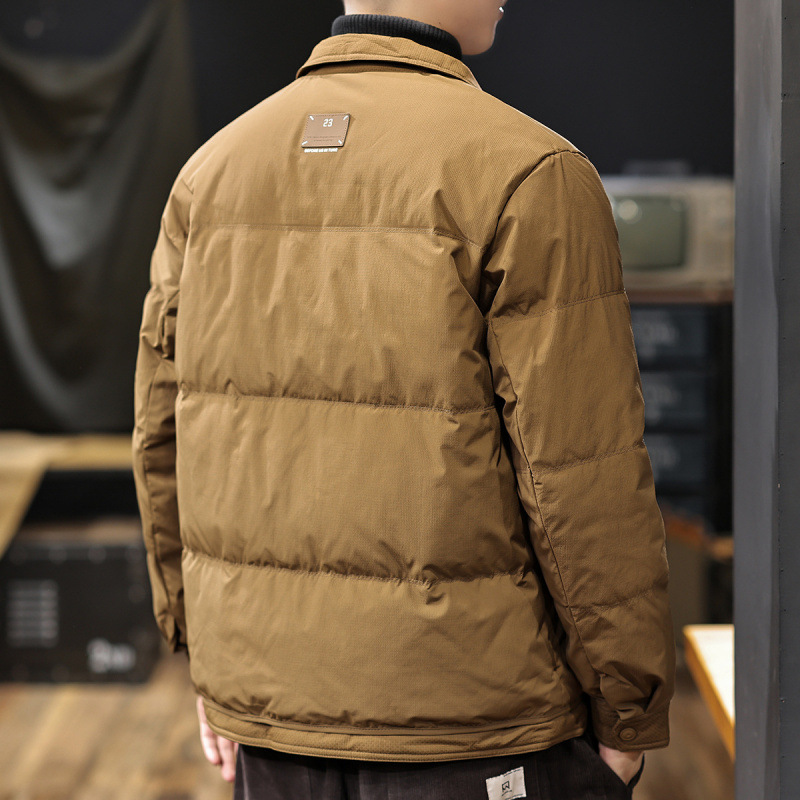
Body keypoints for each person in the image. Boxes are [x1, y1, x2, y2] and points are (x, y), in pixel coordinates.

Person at [132, 0, 676, 797]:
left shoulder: (208, 174)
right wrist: (630, 710)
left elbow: (162, 439)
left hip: (272, 715)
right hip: (474, 725)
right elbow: (582, 476)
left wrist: (208, 660)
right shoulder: (531, 172)